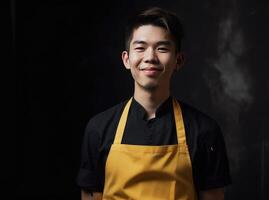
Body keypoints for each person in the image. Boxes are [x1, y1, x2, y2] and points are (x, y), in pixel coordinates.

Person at [76, 7, 231, 200]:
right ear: (126, 59)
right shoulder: (98, 128)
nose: (150, 57)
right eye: (140, 48)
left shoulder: (204, 131)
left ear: (178, 60)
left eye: (162, 48)